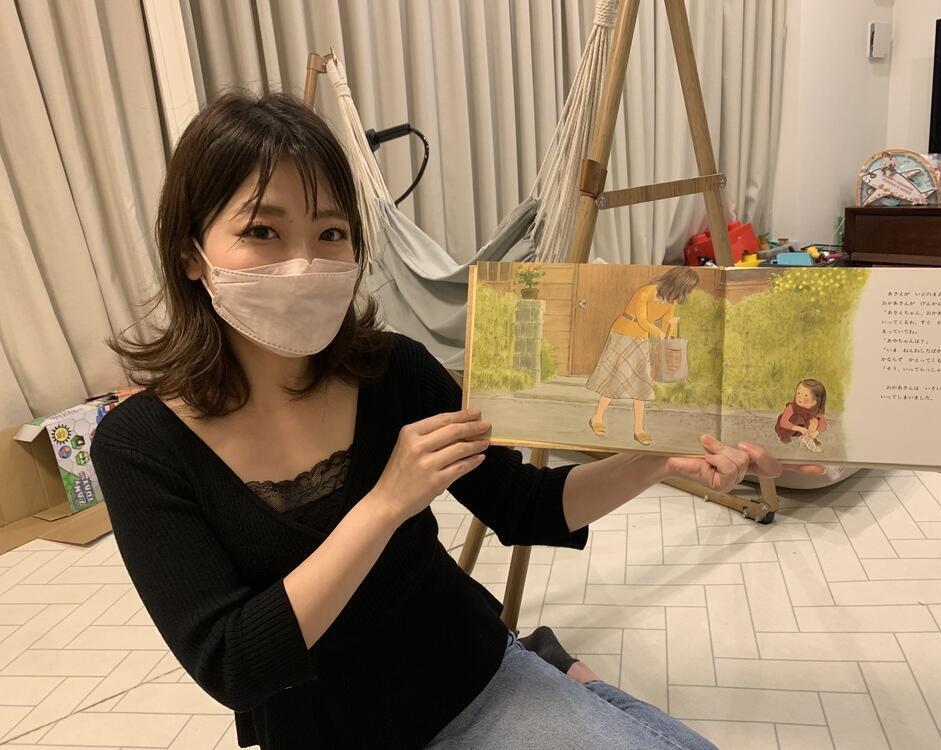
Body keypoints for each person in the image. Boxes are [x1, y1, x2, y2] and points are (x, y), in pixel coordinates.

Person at [92, 91, 822, 750]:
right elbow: (233, 664)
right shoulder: (140, 446)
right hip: (324, 729)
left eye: (331, 233)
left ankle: (544, 668)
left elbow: (526, 506)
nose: (304, 263)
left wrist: (657, 458)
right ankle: (568, 674)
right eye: (262, 231)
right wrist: (384, 504)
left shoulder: (394, 371)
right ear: (191, 254)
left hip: (469, 678)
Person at [587, 267, 699, 446]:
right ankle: (597, 417)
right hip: (623, 333)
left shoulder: (671, 301)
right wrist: (658, 333)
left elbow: (666, 323)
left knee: (642, 382)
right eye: (686, 288)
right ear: (678, 283)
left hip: (642, 338)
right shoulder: (646, 291)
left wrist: (669, 332)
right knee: (616, 378)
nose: (686, 293)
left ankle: (639, 429)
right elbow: (641, 320)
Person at [775, 379, 828, 453]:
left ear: (814, 402)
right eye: (798, 393)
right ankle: (787, 437)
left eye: (805, 395)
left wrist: (816, 432)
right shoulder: (792, 407)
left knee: (815, 420)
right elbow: (783, 422)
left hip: (803, 431)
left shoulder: (816, 411)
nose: (799, 397)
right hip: (789, 429)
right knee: (796, 419)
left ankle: (806, 438)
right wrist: (799, 428)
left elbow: (823, 425)